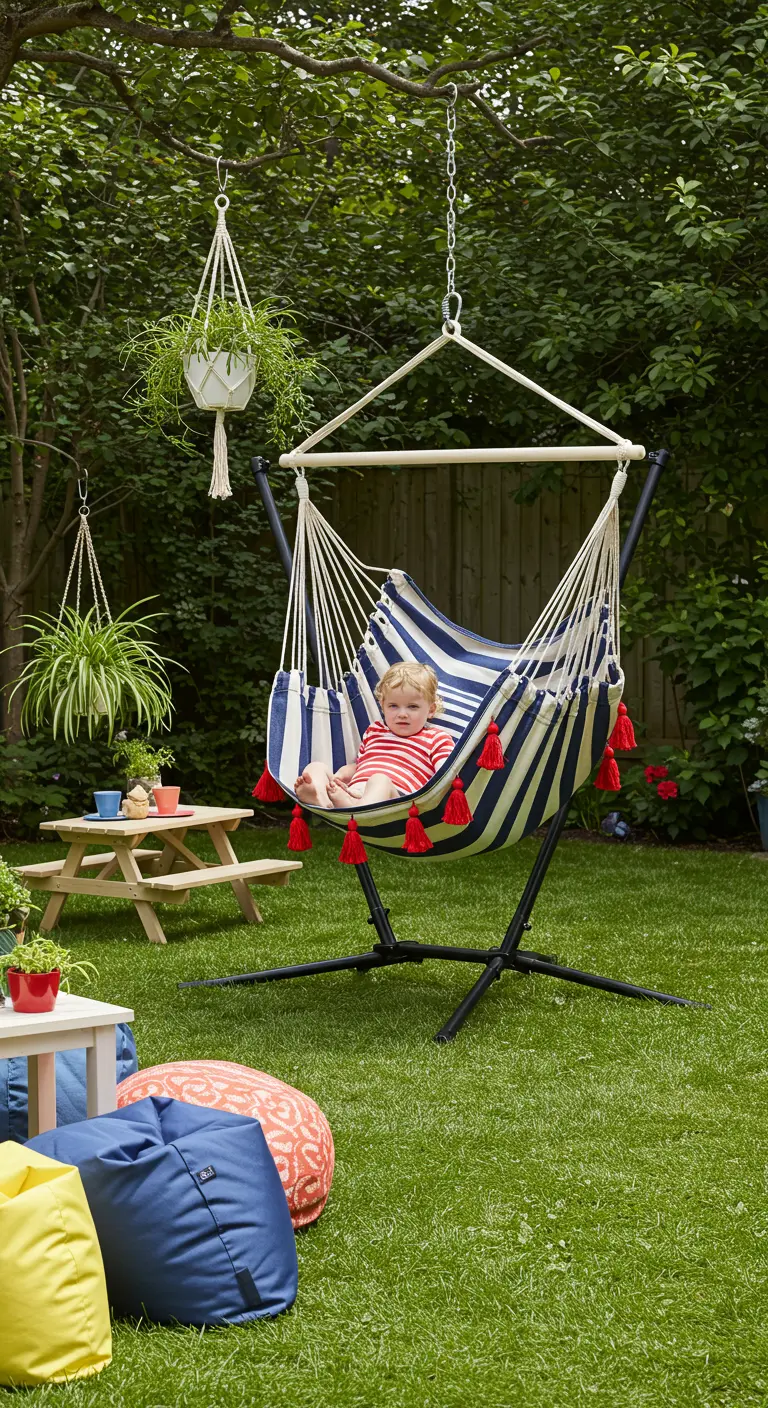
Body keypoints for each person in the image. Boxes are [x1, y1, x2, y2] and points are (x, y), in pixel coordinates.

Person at [295, 662, 454, 809]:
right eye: (393, 706)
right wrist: (340, 775)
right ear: (383, 706)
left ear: (431, 710)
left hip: (395, 799)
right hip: (353, 792)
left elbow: (446, 773)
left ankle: (359, 808)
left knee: (379, 779)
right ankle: (321, 798)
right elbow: (363, 764)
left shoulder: (436, 738)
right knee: (316, 767)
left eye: (412, 707)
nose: (402, 714)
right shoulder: (375, 731)